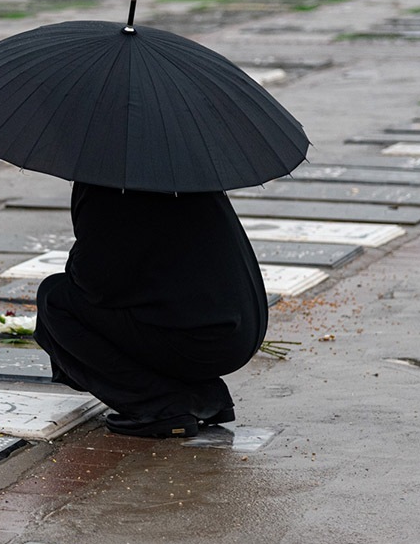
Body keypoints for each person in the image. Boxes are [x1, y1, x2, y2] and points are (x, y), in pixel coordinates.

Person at [34, 183, 268, 438]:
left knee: (55, 298)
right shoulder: (181, 171)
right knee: (150, 304)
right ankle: (207, 396)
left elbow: (94, 283)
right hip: (241, 332)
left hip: (201, 342)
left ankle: (162, 406)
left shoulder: (109, 182)